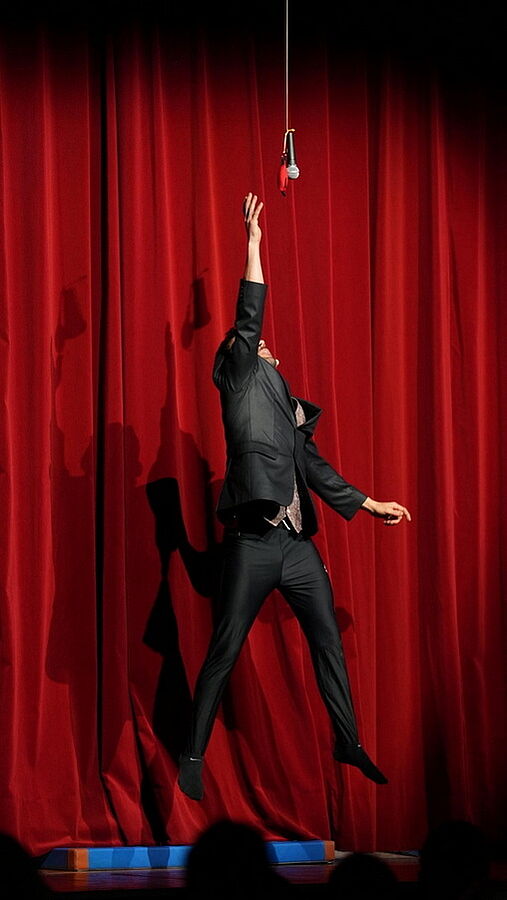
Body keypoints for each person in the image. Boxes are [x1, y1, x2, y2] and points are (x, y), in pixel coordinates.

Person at [178, 193, 411, 801]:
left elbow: (315, 467)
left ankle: (347, 740)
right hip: (254, 542)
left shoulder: (284, 408)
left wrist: (368, 503)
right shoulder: (239, 379)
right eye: (254, 345)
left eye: (262, 347)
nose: (264, 346)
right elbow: (249, 316)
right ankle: (194, 753)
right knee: (226, 647)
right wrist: (254, 245)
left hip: (296, 546)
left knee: (327, 636)